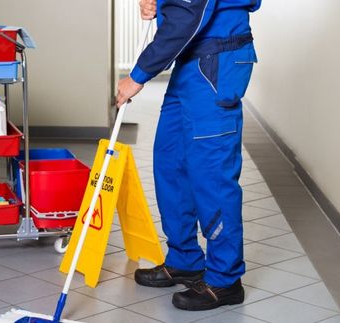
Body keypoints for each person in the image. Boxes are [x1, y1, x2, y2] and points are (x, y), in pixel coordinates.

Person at [115, 0, 261, 311]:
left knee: (211, 174)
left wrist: (137, 76)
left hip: (216, 63)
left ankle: (225, 280)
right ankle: (185, 259)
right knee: (171, 164)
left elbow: (188, 16)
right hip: (191, 61)